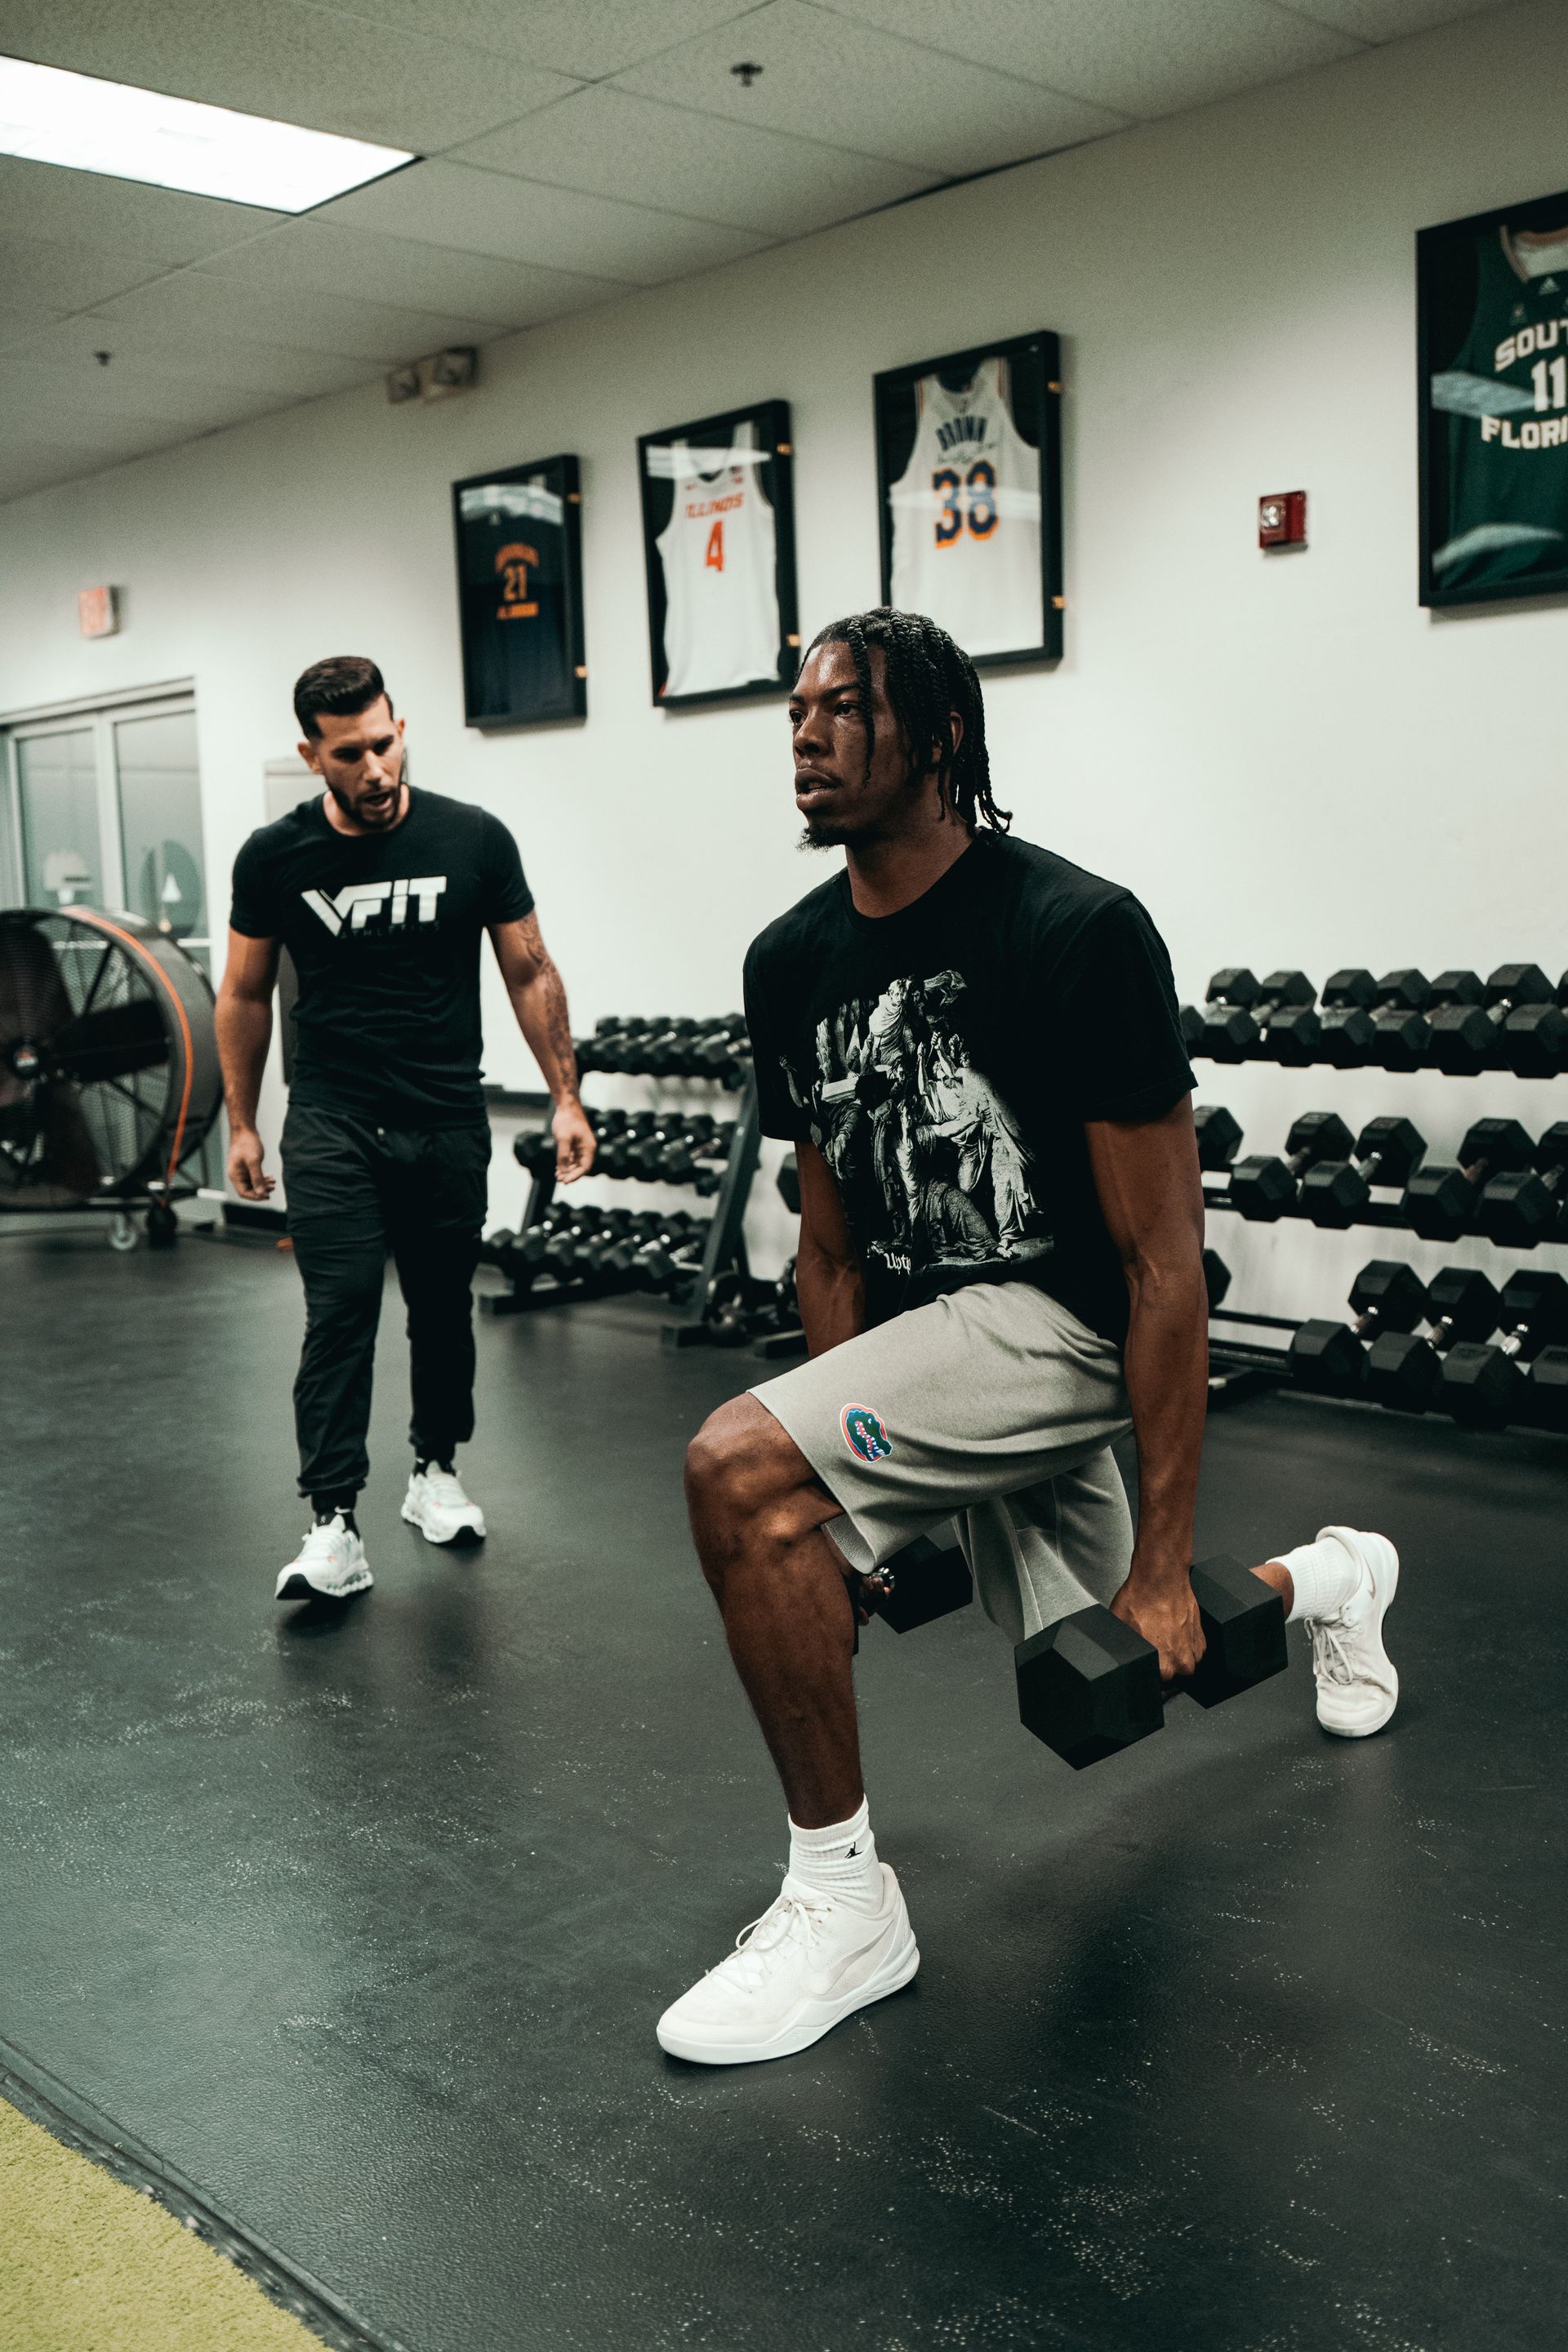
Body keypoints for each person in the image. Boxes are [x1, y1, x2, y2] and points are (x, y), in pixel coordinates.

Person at [657, 608, 1399, 2067]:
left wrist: (1167, 1553)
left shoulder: (1075, 929)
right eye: (794, 712)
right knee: (1108, 1687)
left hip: (1064, 1329)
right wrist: (865, 1523)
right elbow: (826, 1242)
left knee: (735, 1472)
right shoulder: (787, 961)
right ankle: (1336, 1580)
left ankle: (843, 1903)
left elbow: (1164, 1264)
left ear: (935, 736)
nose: (803, 735)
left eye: (842, 709)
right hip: (944, 1340)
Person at [216, 656, 593, 1603]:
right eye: (350, 753)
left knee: (439, 1307)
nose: (376, 768)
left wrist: (566, 1096)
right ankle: (332, 1521)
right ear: (313, 755)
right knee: (340, 1310)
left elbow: (530, 969)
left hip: (445, 1113)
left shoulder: (473, 838)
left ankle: (435, 1472)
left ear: (400, 727)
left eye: (386, 743)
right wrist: (242, 1126)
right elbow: (245, 993)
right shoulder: (275, 857)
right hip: (333, 1114)